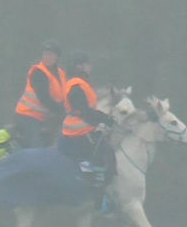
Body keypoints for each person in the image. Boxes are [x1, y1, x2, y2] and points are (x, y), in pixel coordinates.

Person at [56, 52, 116, 189]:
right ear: (80, 66)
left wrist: (102, 118)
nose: (90, 67)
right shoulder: (76, 85)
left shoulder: (81, 83)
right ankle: (96, 180)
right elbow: (84, 111)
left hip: (82, 127)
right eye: (88, 64)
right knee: (101, 148)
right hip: (78, 130)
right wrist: (104, 118)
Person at [13, 40, 67, 148]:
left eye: (50, 54)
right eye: (45, 54)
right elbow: (44, 98)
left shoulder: (61, 73)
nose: (47, 57)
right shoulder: (38, 73)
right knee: (36, 147)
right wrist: (63, 111)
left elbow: (64, 95)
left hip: (46, 117)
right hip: (28, 115)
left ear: (57, 57)